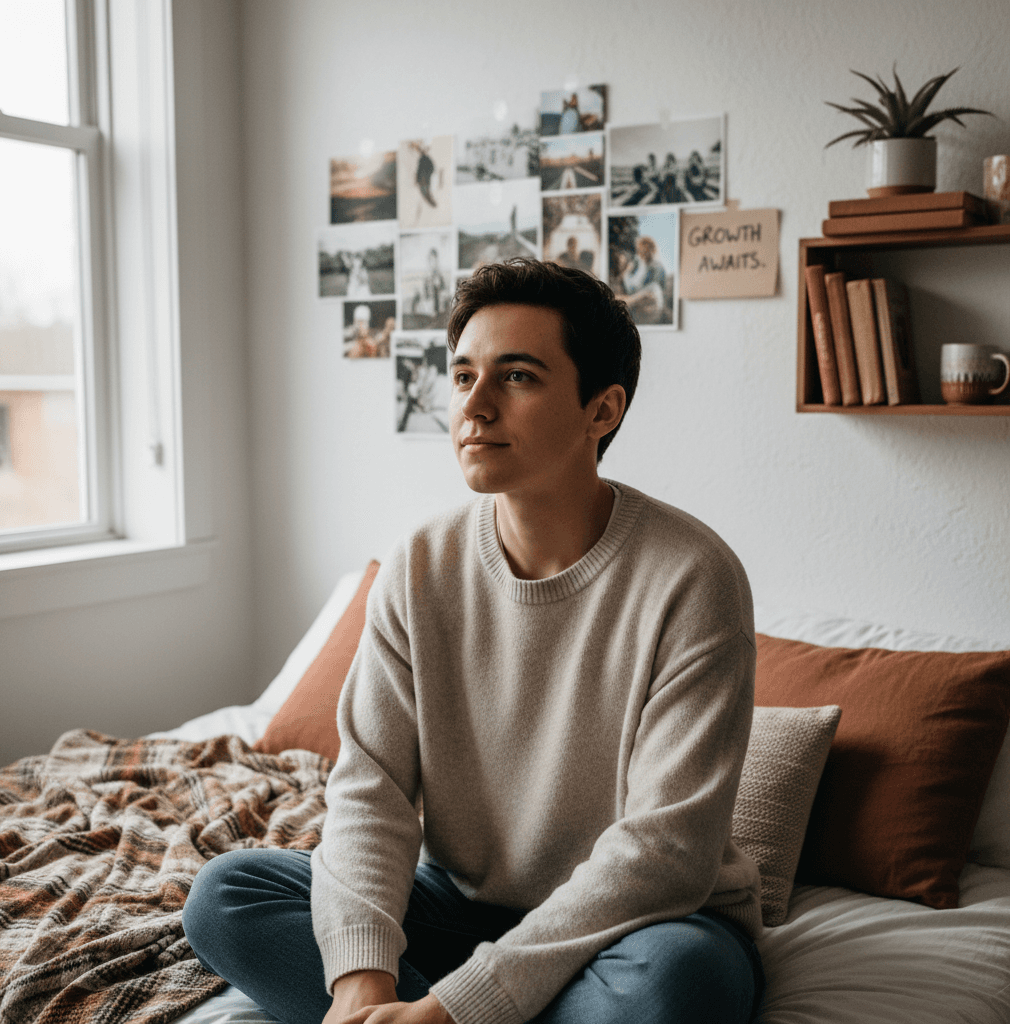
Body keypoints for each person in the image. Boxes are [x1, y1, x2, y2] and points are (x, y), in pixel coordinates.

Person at [183, 259, 766, 1024]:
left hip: (640, 927)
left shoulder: (693, 577)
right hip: (460, 908)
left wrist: (454, 1009)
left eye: (517, 377)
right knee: (226, 894)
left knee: (678, 984)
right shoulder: (419, 565)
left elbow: (665, 853)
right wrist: (362, 981)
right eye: (462, 377)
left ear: (602, 409)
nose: (474, 408)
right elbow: (372, 791)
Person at [620, 235, 669, 324]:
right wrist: (626, 273)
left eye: (640, 249)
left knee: (654, 287)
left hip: (652, 303)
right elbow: (631, 288)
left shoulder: (656, 267)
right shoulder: (638, 264)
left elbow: (656, 289)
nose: (638, 252)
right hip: (639, 302)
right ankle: (628, 301)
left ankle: (627, 301)